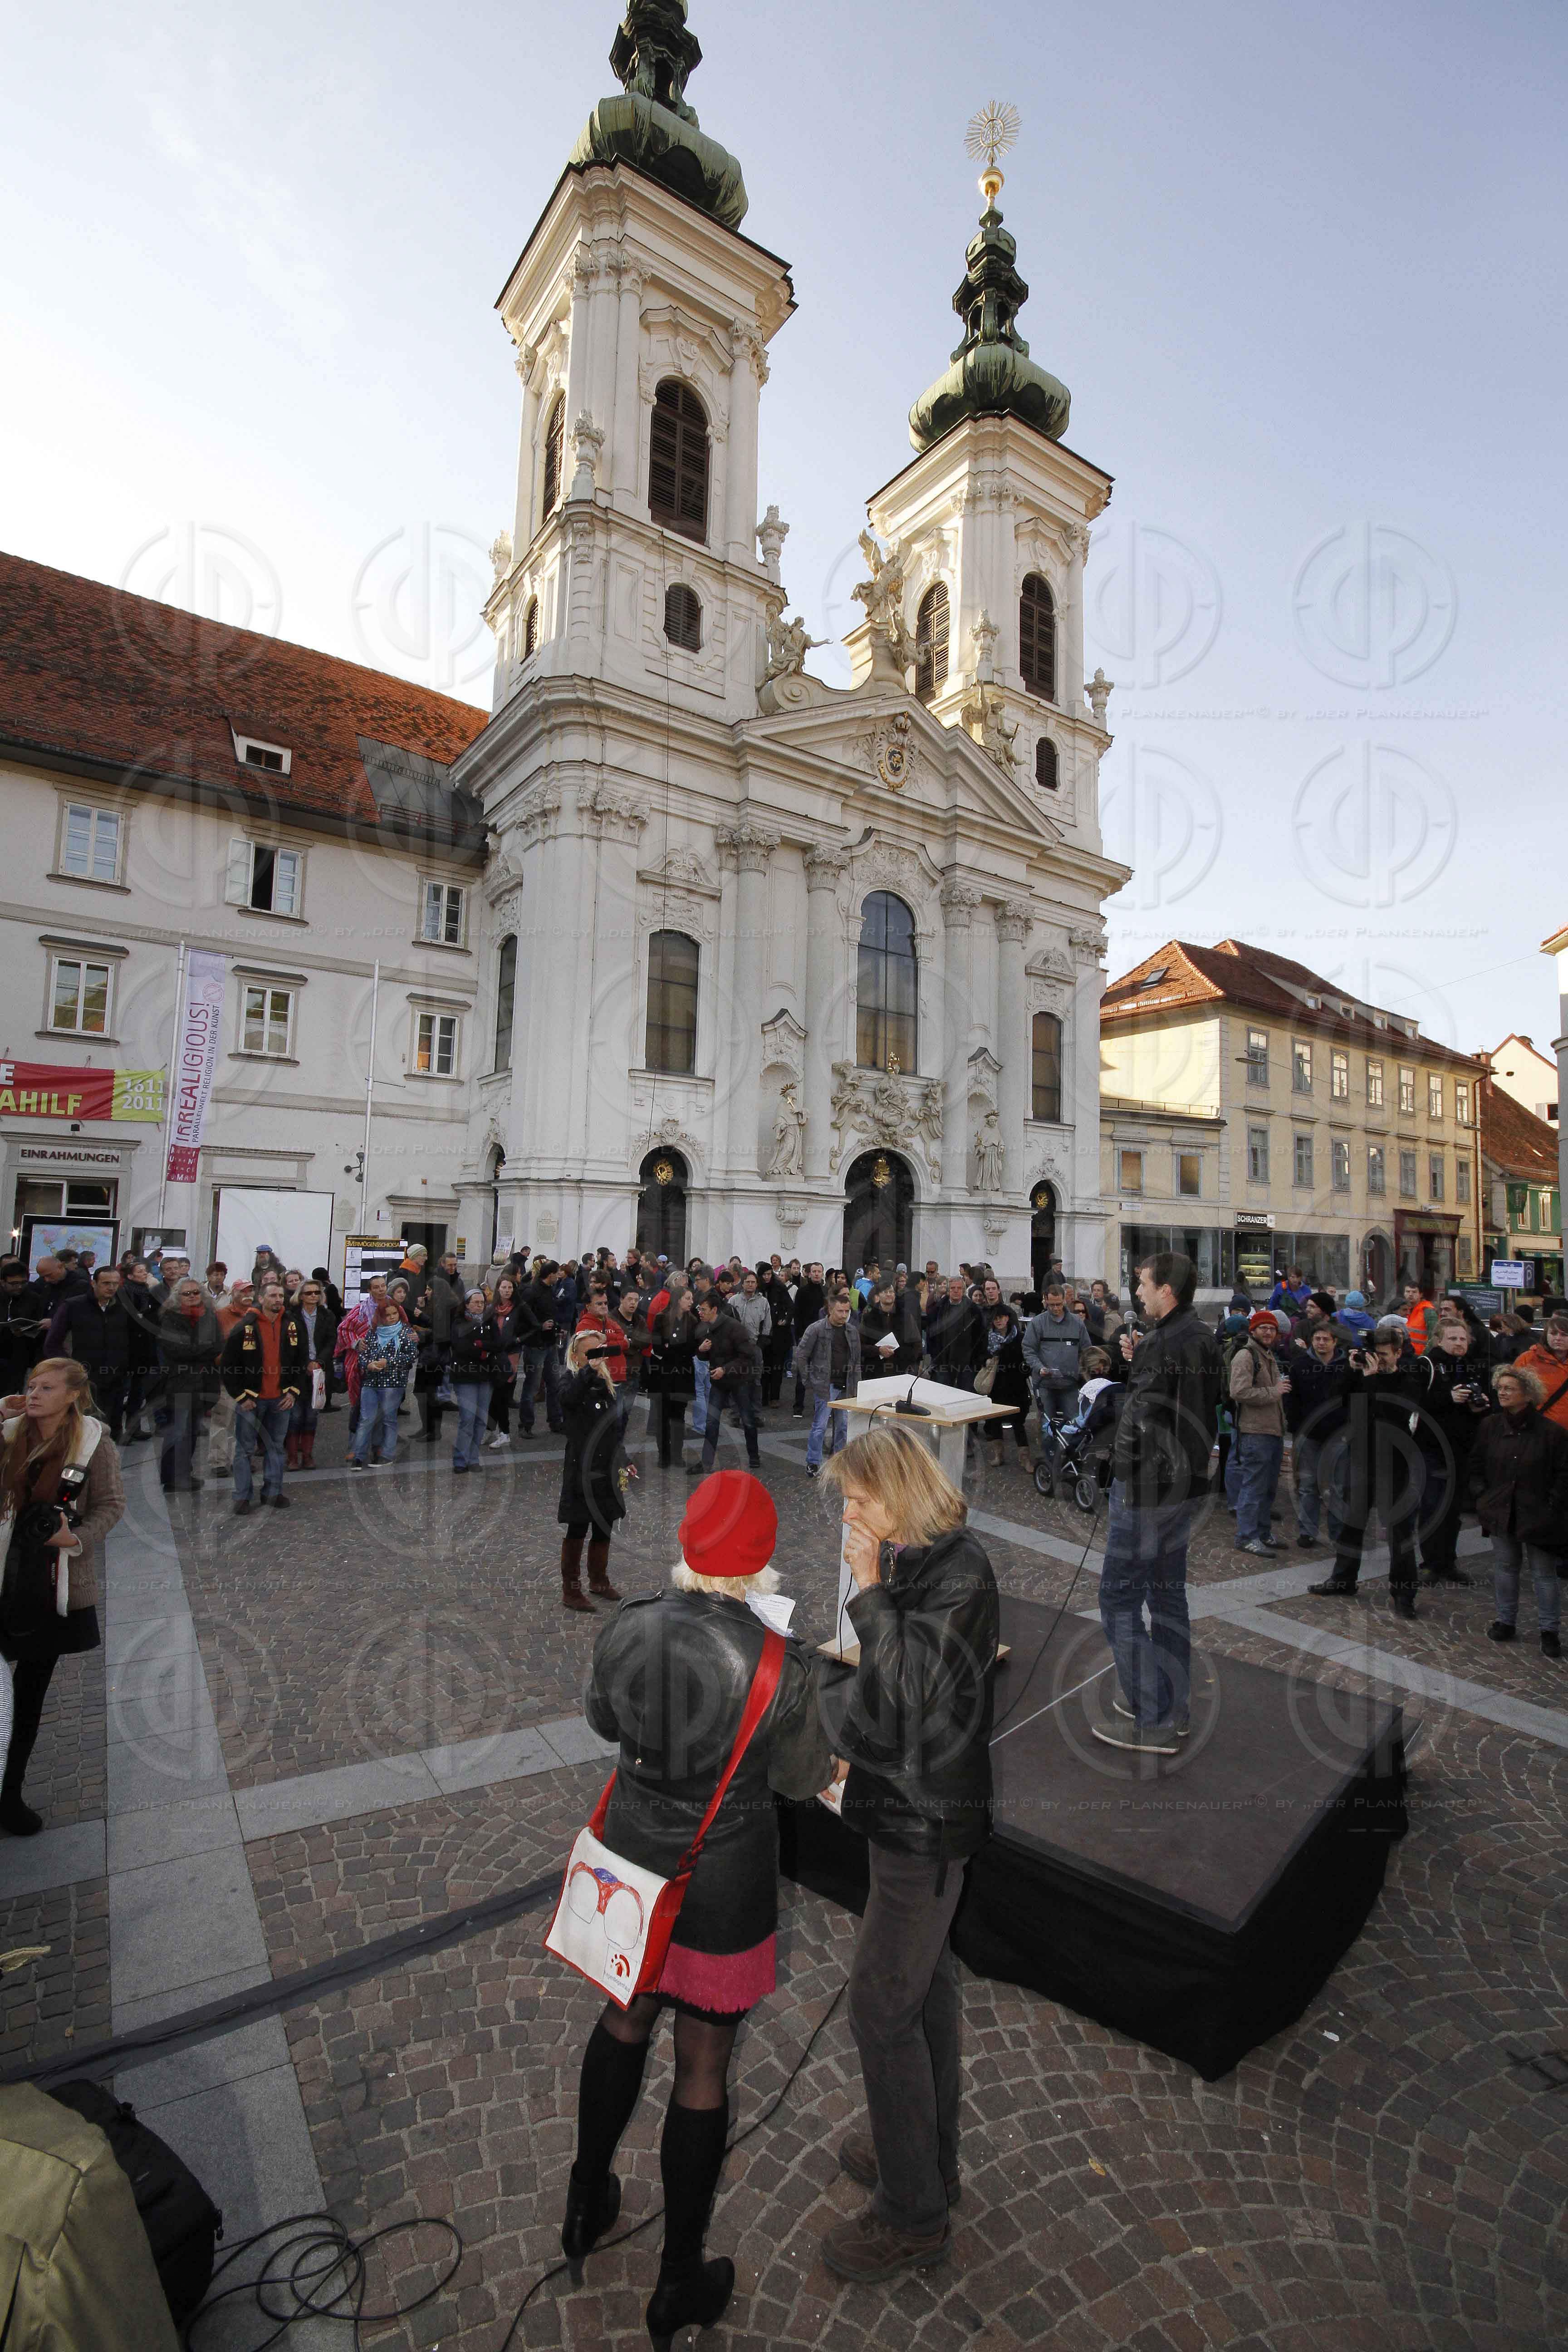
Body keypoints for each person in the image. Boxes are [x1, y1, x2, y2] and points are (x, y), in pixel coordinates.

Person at [563, 1472, 830, 2345]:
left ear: (686, 1544)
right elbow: (800, 1779)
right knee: (703, 2063)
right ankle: (677, 2276)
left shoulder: (631, 1621)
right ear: (763, 1560)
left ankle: (585, 2199)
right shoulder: (782, 1661)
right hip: (723, 1878)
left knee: (623, 2018)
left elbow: (605, 1719)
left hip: (636, 1857)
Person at [816, 1428, 998, 2282]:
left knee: (882, 2010)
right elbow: (886, 1697)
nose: (848, 1515)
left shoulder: (961, 1571)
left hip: (927, 1824)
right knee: (922, 1995)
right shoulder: (918, 1554)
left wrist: (867, 1588)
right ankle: (925, 2159)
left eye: (859, 1499)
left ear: (898, 1492)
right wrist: (848, 1753)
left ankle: (913, 2215)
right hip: (903, 1802)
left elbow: (913, 1684)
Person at [1095, 1253, 1221, 1756]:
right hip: (1184, 1487)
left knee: (1119, 1601)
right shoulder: (1202, 1336)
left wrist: (1116, 1466)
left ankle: (1156, 1715)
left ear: (1166, 1289)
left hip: (1148, 1490)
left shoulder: (1161, 1343)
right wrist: (1141, 1361)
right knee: (1168, 1598)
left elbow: (1143, 1419)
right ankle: (1173, 1707)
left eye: (1143, 1283)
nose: (1138, 1292)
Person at [0, 1357, 125, 1835]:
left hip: (52, 1582)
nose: (34, 1395)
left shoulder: (94, 1442)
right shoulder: (9, 1433)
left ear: (74, 1394)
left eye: (47, 1388)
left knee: (29, 1698)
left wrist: (74, 1539)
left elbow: (111, 1505)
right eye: (31, 1386)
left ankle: (9, 1795)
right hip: (2, 1574)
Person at [1308, 1322, 1424, 1617]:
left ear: (1398, 1354)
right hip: (1360, 1459)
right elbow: (1335, 1400)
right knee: (1351, 1524)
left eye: (1384, 1355)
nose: (1378, 1360)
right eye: (1375, 1354)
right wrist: (1351, 1371)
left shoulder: (1408, 1380)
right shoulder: (1361, 1374)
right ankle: (1343, 1579)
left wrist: (1372, 1380)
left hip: (1395, 1464)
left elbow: (1395, 1417)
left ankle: (1404, 1594)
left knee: (1399, 1532)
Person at [1471, 1362, 1568, 1656]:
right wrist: (1483, 1497)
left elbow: (1563, 1474)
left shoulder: (1552, 1433)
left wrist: (1552, 1507)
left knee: (1544, 1574)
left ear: (1527, 1394)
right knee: (1505, 1567)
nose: (1502, 1393)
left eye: (1509, 1389)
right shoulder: (1490, 1426)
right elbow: (1476, 1465)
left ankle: (1549, 1630)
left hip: (1538, 1514)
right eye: (1500, 1388)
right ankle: (1506, 1621)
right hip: (1500, 1509)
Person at [557, 1329, 632, 1612]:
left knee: (605, 1524)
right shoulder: (569, 1380)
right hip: (582, 1467)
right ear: (576, 1356)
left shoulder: (606, 1384)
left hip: (607, 1466)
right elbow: (568, 1400)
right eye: (590, 1353)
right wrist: (588, 1371)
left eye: (599, 1351)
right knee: (578, 1526)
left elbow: (614, 1430)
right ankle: (571, 1590)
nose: (597, 1358)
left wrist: (624, 1459)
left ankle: (599, 1581)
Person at [1411, 1320, 1490, 1586]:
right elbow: (1413, 1402)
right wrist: (1448, 1398)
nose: (1459, 1343)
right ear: (1439, 1340)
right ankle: (1430, 1563)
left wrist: (1479, 1407)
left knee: (1454, 1510)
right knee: (1433, 1506)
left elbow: (1478, 1407)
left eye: (1463, 1339)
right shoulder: (1426, 1365)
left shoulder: (1471, 1366)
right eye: (1453, 1338)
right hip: (1432, 1448)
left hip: (1462, 1449)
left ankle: (1447, 1562)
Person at [222, 1279, 310, 1511]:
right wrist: (241, 1397)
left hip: (282, 1399)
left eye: (281, 1296)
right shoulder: (245, 1326)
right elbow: (228, 1366)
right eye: (272, 1296)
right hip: (252, 1400)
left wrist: (294, 1391)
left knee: (276, 1448)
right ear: (261, 1299)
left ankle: (273, 1492)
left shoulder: (293, 1325)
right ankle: (242, 1496)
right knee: (245, 1450)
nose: (278, 1300)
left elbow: (302, 1361)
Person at [44, 1265, 157, 1443]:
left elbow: (136, 1338)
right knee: (87, 1422)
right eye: (106, 1283)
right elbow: (53, 1342)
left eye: (115, 1284)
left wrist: (135, 1365)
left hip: (118, 1372)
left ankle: (114, 1440)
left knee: (113, 1417)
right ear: (94, 1283)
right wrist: (69, 1368)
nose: (111, 1288)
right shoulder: (74, 1306)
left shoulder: (125, 1307)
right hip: (86, 1373)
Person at [131, 1277, 221, 1493]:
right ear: (177, 1297)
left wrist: (200, 1349)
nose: (192, 1297)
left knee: (192, 1432)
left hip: (205, 1383)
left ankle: (184, 1474)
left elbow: (218, 1345)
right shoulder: (170, 1318)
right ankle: (172, 1479)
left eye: (195, 1293)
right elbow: (177, 1351)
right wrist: (204, 1349)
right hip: (180, 1384)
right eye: (186, 1294)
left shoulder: (210, 1316)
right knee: (178, 1432)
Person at [1227, 1309, 1289, 1556]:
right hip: (1255, 1432)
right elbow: (1239, 1392)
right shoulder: (1246, 1355)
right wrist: (1274, 1392)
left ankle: (1263, 1532)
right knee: (1253, 1487)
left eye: (1272, 1329)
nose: (1268, 1332)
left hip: (1273, 1431)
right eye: (1263, 1328)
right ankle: (1246, 1537)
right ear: (1253, 1330)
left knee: (1268, 1488)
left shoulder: (1268, 1355)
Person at [1285, 1323, 1353, 1549]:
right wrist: (1297, 1427)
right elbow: (1291, 1399)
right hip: (1309, 1435)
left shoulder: (1347, 1366)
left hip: (1338, 1436)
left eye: (1326, 1339)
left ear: (1335, 1342)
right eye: (1317, 1339)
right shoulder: (1300, 1365)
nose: (1321, 1343)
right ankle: (1307, 1532)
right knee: (1307, 1486)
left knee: (1337, 1488)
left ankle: (1337, 1533)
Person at [348, 1296, 419, 1470]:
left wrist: (389, 1362)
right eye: (388, 1315)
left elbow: (411, 1355)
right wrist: (369, 1365)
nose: (392, 1317)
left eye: (395, 1314)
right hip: (371, 1381)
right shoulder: (373, 1332)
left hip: (393, 1382)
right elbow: (363, 1356)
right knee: (366, 1419)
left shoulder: (405, 1332)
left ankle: (387, 1455)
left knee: (389, 1419)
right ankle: (359, 1456)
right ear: (381, 1316)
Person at [694, 1296, 762, 1475]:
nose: (700, 1313)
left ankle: (754, 1456)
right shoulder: (705, 1328)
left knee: (747, 1420)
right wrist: (701, 1351)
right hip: (719, 1382)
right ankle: (707, 1463)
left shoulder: (735, 1327)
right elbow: (704, 1356)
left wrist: (725, 1370)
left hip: (740, 1381)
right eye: (699, 1309)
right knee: (712, 1421)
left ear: (714, 1310)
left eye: (703, 1309)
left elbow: (747, 1357)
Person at [795, 1292, 860, 1478]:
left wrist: (857, 1386)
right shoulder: (816, 1329)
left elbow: (857, 1361)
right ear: (831, 1310)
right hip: (825, 1385)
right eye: (840, 1311)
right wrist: (808, 1380)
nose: (844, 1315)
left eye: (847, 1311)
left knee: (843, 1426)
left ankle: (838, 1462)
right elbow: (801, 1355)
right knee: (820, 1426)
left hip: (846, 1385)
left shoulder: (852, 1331)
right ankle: (813, 1462)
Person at [1020, 1281, 1087, 1429]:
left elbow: (1086, 1351)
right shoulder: (1038, 1323)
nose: (1056, 1308)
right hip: (1045, 1384)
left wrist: (1082, 1372)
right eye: (1052, 1305)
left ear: (1064, 1301)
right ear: (1046, 1302)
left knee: (1074, 1425)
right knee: (1047, 1427)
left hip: (1070, 1383)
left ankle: (1070, 1444)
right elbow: (1028, 1349)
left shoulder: (1077, 1323)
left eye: (1059, 1304)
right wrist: (1039, 1367)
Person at [447, 1290, 500, 1472]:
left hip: (486, 1375)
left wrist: (480, 1344)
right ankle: (460, 1460)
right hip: (465, 1376)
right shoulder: (459, 1322)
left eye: (482, 1303)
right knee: (468, 1418)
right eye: (475, 1302)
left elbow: (499, 1344)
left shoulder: (490, 1322)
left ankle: (473, 1458)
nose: (479, 1306)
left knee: (481, 1419)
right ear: (467, 1304)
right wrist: (484, 1351)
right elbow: (461, 1347)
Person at [980, 1303, 1033, 1472]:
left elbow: (1028, 1358)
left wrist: (1024, 1371)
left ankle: (1025, 1458)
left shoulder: (1020, 1337)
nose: (999, 1321)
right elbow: (979, 1357)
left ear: (1008, 1318)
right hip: (996, 1385)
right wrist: (986, 1361)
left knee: (1018, 1422)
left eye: (1001, 1318)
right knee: (995, 1420)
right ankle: (999, 1455)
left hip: (1017, 1385)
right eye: (996, 1319)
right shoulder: (988, 1338)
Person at [650, 1286, 698, 1469]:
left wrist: (672, 1346)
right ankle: (664, 1456)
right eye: (688, 1298)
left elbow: (692, 1348)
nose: (691, 1302)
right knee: (663, 1416)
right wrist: (678, 1348)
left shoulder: (692, 1321)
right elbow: (658, 1347)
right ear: (678, 1300)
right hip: (664, 1374)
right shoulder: (662, 1318)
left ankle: (677, 1455)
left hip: (683, 1374)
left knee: (679, 1417)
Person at [925, 1276, 984, 1390]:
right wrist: (935, 1354)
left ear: (964, 1290)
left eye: (959, 1288)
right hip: (944, 1360)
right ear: (948, 1291)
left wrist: (977, 1359)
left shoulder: (973, 1310)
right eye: (953, 1288)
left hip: (967, 1362)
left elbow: (981, 1335)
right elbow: (931, 1332)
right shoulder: (939, 1308)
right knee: (942, 1393)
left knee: (965, 1394)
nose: (956, 1291)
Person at [1513, 1313, 1568, 1433]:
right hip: (1538, 1430)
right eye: (1553, 1333)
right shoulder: (1528, 1359)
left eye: (1564, 1335)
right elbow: (1513, 1391)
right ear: (1546, 1335)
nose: (1558, 1338)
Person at [790, 1261, 827, 1416]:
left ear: (822, 1274)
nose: (817, 1274)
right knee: (802, 1373)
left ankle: (820, 1406)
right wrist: (800, 1336)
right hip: (805, 1337)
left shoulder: (827, 1292)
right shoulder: (802, 1292)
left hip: (824, 1338)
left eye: (819, 1271)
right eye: (814, 1271)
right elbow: (797, 1314)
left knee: (822, 1373)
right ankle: (798, 1406)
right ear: (809, 1274)